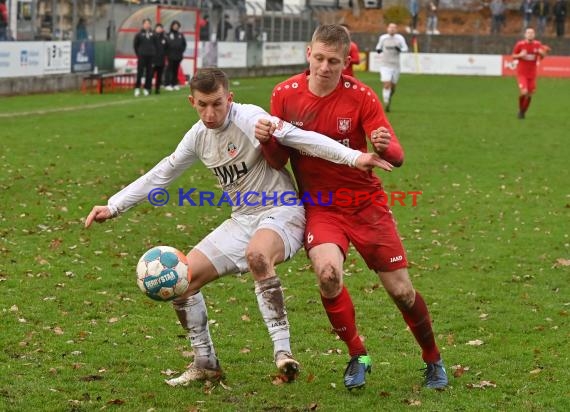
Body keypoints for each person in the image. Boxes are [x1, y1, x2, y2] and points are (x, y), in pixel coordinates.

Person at [84, 68, 391, 387]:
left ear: (229, 98)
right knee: (183, 280)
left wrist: (354, 157)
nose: (210, 112)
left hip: (282, 211)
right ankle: (205, 363)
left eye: (217, 104)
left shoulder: (249, 118)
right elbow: (165, 170)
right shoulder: (198, 137)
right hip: (243, 218)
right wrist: (115, 204)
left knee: (258, 256)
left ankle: (283, 353)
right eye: (202, 105)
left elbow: (300, 138)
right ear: (192, 101)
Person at [255, 24, 448, 391]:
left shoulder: (361, 96)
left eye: (334, 61)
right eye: (320, 58)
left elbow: (397, 157)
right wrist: (267, 142)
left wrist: (384, 144)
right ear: (308, 53)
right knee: (328, 276)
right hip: (323, 207)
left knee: (402, 292)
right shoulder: (285, 94)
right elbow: (279, 161)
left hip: (366, 205)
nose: (325, 67)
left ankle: (433, 359)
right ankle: (358, 354)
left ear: (347, 62)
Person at [512, 27, 550, 119]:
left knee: (529, 94)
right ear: (525, 35)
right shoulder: (520, 44)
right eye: (528, 33)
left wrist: (542, 53)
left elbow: (543, 55)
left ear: (534, 35)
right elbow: (513, 55)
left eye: (532, 33)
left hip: (532, 74)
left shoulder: (538, 44)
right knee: (524, 92)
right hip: (522, 73)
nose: (530, 34)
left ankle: (523, 112)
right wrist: (520, 55)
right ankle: (521, 110)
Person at [375, 23, 409, 113]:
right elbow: (378, 47)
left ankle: (389, 98)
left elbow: (405, 48)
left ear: (396, 29)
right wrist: (378, 50)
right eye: (390, 28)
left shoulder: (400, 38)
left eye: (394, 28)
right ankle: (386, 103)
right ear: (387, 29)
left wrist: (400, 50)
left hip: (396, 66)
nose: (392, 29)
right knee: (386, 84)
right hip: (385, 65)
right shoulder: (383, 38)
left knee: (393, 87)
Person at [133, 18, 156, 97]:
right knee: (140, 72)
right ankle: (137, 88)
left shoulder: (153, 34)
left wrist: (153, 53)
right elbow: (135, 45)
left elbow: (156, 45)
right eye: (145, 23)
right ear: (143, 25)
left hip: (151, 57)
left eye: (148, 23)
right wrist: (139, 54)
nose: (147, 25)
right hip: (142, 56)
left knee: (149, 73)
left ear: (150, 25)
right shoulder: (139, 34)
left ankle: (147, 88)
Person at [165, 20, 186, 91]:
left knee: (175, 70)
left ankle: (174, 84)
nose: (176, 27)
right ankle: (167, 84)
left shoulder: (180, 35)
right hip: (170, 55)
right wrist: (167, 53)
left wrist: (181, 51)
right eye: (174, 25)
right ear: (172, 26)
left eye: (177, 26)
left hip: (178, 56)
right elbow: (165, 45)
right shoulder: (168, 34)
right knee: (169, 70)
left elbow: (184, 44)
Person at [152, 23, 168, 95]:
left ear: (162, 29)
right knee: (150, 75)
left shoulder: (164, 38)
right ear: (155, 29)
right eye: (157, 28)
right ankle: (148, 88)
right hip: (153, 60)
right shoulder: (152, 36)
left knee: (159, 75)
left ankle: (157, 89)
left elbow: (167, 48)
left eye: (160, 28)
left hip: (161, 60)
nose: (159, 29)